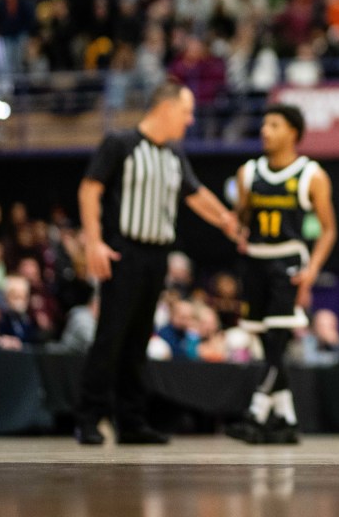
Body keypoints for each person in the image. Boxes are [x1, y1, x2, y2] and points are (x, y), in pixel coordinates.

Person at [74, 79, 243, 445]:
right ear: (165, 108)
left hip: (157, 255)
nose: (190, 120)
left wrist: (227, 221)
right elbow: (90, 188)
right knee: (111, 336)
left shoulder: (174, 155)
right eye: (186, 112)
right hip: (123, 250)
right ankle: (89, 417)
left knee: (138, 339)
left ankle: (131, 421)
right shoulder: (120, 144)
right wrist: (94, 243)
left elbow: (196, 195)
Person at [226, 103, 337, 444]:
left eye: (273, 124)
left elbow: (329, 230)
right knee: (267, 344)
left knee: (278, 340)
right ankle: (287, 420)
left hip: (288, 262)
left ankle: (255, 414)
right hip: (255, 262)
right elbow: (241, 218)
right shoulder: (249, 172)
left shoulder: (311, 174)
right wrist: (237, 229)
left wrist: (312, 271)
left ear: (293, 132)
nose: (264, 131)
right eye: (263, 124)